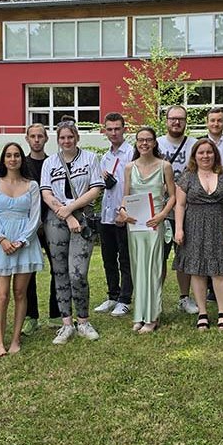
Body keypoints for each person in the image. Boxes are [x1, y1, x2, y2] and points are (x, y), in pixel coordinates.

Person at [40, 120, 105, 344]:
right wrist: (65, 214)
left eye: (70, 137)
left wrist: (72, 210)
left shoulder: (90, 159)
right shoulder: (49, 162)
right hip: (56, 219)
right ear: (57, 140)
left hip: (82, 219)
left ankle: (84, 321)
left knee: (78, 274)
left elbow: (96, 189)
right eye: (62, 138)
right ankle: (66, 324)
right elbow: (46, 193)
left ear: (77, 137)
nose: (66, 141)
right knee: (59, 273)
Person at [174, 139, 223, 330]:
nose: (205, 156)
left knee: (220, 270)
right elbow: (179, 205)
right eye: (201, 153)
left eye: (209, 152)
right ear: (195, 156)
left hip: (220, 226)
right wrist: (179, 229)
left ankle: (222, 313)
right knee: (197, 271)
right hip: (194, 226)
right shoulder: (187, 177)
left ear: (215, 155)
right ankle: (202, 313)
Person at [0, 142, 43, 356]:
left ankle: (16, 339)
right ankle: (0, 342)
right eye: (8, 155)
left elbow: (34, 217)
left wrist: (21, 240)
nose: (13, 159)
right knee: (2, 295)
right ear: (3, 159)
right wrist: (1, 239)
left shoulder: (32, 185)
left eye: (17, 155)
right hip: (0, 243)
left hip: (24, 243)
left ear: (21, 158)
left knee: (20, 293)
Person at [117, 127, 176, 333]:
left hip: (155, 222)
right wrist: (122, 211)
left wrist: (162, 216)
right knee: (138, 268)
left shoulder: (164, 166)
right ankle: (139, 314)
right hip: (135, 224)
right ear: (136, 143)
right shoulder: (129, 167)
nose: (144, 143)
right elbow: (125, 195)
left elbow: (173, 196)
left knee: (153, 267)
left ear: (154, 143)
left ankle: (152, 316)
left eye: (148, 140)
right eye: (140, 140)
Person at [157, 105, 198, 314]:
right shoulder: (156, 144)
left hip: (187, 209)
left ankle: (184, 297)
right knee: (159, 256)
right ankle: (156, 299)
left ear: (185, 121)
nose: (176, 122)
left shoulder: (194, 145)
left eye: (180, 119)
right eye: (173, 119)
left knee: (184, 255)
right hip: (160, 209)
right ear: (166, 120)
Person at [94, 112, 134, 317]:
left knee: (125, 259)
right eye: (109, 129)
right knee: (108, 258)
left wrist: (125, 210)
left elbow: (135, 185)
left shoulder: (131, 153)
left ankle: (125, 299)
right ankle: (112, 295)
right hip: (106, 215)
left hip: (124, 215)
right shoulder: (105, 157)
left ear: (124, 129)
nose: (113, 132)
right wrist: (103, 181)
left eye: (117, 128)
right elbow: (101, 186)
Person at [23, 123, 59, 333]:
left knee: (58, 269)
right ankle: (31, 316)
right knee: (28, 271)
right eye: (33, 136)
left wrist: (47, 221)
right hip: (28, 227)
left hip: (52, 222)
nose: (36, 140)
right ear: (27, 139)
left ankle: (56, 314)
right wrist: (32, 225)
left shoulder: (53, 163)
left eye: (40, 136)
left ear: (46, 139)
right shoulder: (21, 164)